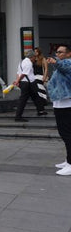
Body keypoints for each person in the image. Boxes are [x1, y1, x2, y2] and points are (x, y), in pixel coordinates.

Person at [46, 44, 71, 176]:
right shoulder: (61, 65)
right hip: (60, 102)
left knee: (67, 134)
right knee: (64, 133)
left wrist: (56, 63)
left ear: (68, 54)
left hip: (67, 103)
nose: (58, 54)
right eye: (57, 52)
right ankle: (68, 160)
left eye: (61, 52)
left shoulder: (68, 63)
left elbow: (64, 67)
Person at [13, 50, 47, 121]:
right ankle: (18, 116)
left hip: (27, 82)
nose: (35, 58)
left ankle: (40, 110)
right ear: (32, 57)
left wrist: (18, 80)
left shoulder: (22, 62)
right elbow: (24, 74)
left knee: (35, 96)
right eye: (35, 57)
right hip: (28, 83)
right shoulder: (28, 63)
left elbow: (18, 73)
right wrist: (17, 81)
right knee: (23, 100)